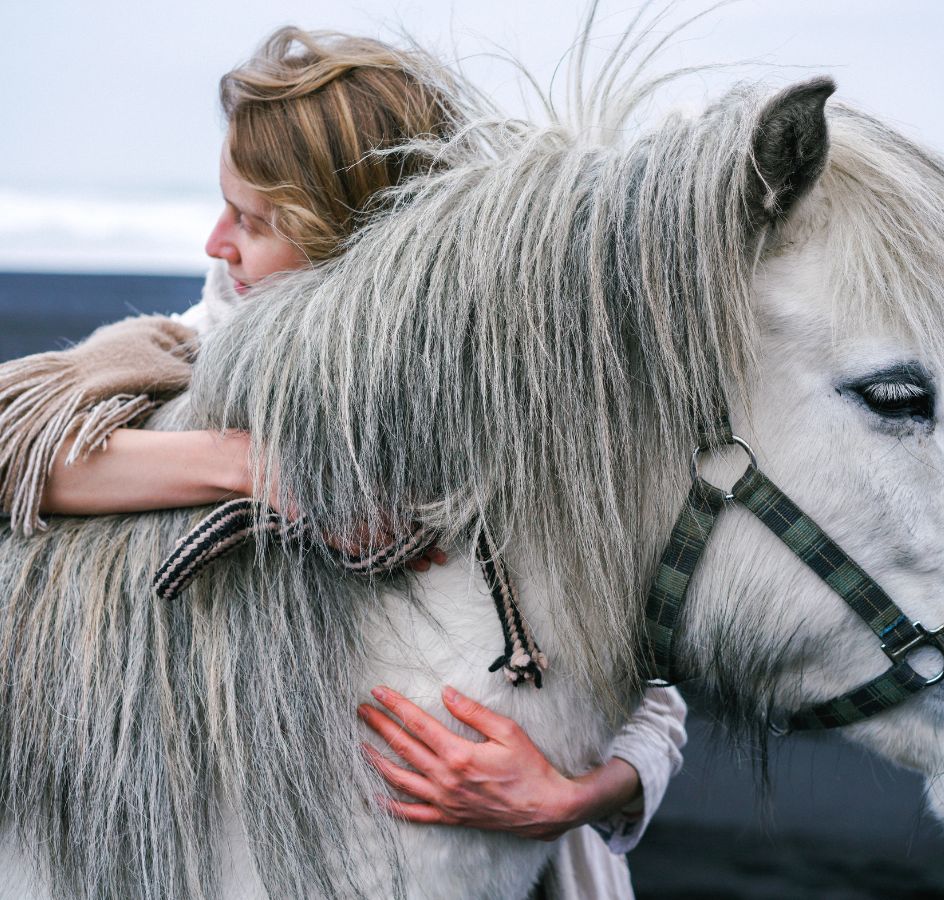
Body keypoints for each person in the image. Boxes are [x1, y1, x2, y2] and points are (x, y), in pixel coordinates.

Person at [0, 27, 685, 898]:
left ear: (346, 238)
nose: (217, 243)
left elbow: (655, 671)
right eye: (223, 207)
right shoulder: (205, 349)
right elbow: (26, 455)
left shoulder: (520, 409)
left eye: (255, 220)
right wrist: (253, 466)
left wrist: (570, 797)